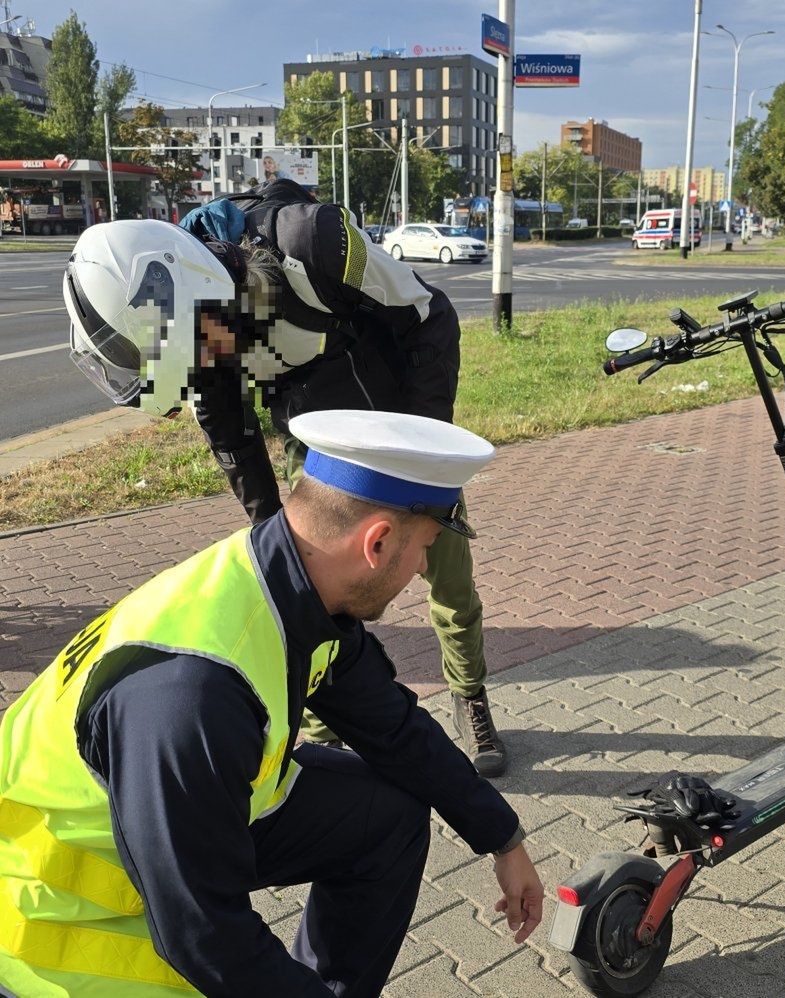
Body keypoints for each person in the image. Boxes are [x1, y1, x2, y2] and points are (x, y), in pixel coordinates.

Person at [0, 408, 543, 996]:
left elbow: (394, 729)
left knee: (387, 817)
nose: (422, 569)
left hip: (167, 828)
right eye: (426, 548)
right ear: (378, 541)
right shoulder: (193, 695)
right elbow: (204, 934)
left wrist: (503, 838)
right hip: (60, 925)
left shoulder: (291, 584)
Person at [65, 183, 510, 777]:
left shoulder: (315, 242)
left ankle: (469, 693)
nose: (212, 361)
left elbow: (429, 315)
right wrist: (272, 530)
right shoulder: (197, 333)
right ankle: (326, 733)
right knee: (312, 591)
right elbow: (232, 437)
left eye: (207, 350)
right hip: (318, 444)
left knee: (448, 576)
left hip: (400, 421)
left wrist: (423, 452)